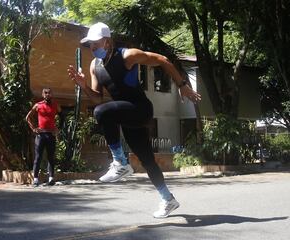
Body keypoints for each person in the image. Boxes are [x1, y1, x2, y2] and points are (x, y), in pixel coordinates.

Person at [67, 22, 201, 218]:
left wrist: (181, 85)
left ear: (107, 41)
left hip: (140, 109)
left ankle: (120, 162)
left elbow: (162, 59)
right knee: (147, 160)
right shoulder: (95, 66)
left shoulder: (127, 55)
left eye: (96, 43)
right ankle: (168, 199)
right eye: (90, 44)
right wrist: (83, 85)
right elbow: (97, 97)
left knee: (101, 112)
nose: (93, 48)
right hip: (125, 114)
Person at [26, 88, 61, 187]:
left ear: (52, 94)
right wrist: (33, 128)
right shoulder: (38, 105)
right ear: (42, 94)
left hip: (51, 135)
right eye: (45, 93)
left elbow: (62, 116)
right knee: (38, 157)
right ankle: (36, 179)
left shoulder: (55, 105)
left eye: (49, 93)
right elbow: (27, 117)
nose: (47, 94)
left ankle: (51, 179)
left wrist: (58, 129)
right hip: (40, 135)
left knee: (51, 157)